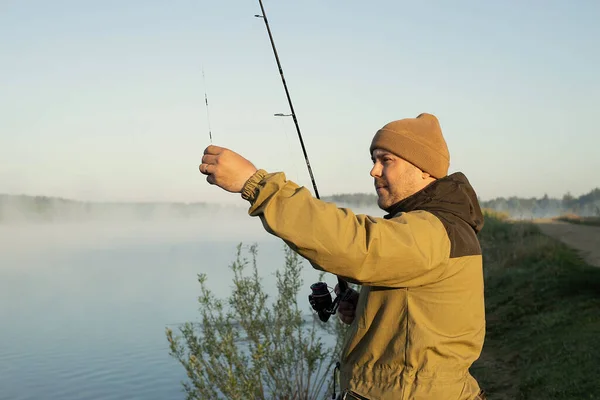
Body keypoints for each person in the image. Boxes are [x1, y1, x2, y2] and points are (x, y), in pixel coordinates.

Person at [198, 113, 487, 400]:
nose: (374, 171)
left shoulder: (433, 230)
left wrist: (256, 184)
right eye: (374, 160)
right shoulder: (440, 227)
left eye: (386, 160)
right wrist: (369, 307)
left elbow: (355, 244)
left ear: (424, 168)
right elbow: (421, 311)